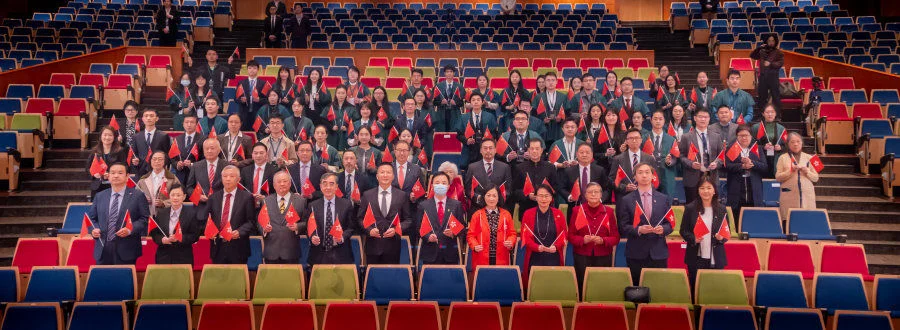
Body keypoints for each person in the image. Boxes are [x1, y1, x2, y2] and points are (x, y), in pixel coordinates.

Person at [617, 162, 673, 284]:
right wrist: (638, 230)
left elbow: (670, 224)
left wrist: (663, 229)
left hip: (658, 252)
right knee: (638, 289)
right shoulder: (626, 200)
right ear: (635, 177)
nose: (644, 175)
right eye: (640, 173)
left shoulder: (663, 198)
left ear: (653, 176)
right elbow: (623, 226)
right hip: (636, 253)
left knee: (658, 287)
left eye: (647, 172)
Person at [87, 163, 150, 265]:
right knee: (103, 280)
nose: (116, 175)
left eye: (120, 173)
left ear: (127, 176)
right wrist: (94, 229)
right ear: (108, 176)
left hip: (127, 248)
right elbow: (91, 218)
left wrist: (130, 229)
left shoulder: (138, 195)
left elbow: (145, 218)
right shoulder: (100, 196)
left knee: (124, 280)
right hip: (103, 248)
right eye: (113, 173)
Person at [680, 175, 729, 289]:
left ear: (714, 190)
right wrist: (693, 238)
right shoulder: (690, 208)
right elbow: (683, 230)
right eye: (702, 188)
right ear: (698, 190)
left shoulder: (722, 209)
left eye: (709, 188)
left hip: (716, 257)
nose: (705, 191)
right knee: (696, 288)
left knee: (715, 290)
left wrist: (721, 238)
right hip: (695, 258)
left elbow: (727, 231)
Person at [568, 183, 619, 287]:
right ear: (585, 195)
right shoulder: (577, 210)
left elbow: (616, 238)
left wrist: (603, 240)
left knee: (602, 284)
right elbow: (570, 236)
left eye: (596, 192)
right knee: (582, 283)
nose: (593, 194)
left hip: (603, 254)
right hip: (582, 254)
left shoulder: (608, 212)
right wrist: (583, 240)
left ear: (601, 195)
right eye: (590, 192)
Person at [358, 164, 412, 264]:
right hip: (373, 245)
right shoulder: (367, 195)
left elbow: (408, 220)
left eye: (388, 172)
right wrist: (369, 230)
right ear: (377, 176)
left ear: (393, 176)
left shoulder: (401, 195)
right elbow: (360, 218)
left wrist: (396, 230)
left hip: (393, 246)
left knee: (391, 277)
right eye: (382, 172)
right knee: (372, 277)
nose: (385, 175)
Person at [207, 165, 256, 264]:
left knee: (237, 278)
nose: (228, 179)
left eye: (232, 176)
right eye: (225, 176)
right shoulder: (213, 198)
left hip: (238, 246)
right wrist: (209, 230)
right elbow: (206, 219)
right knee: (219, 278)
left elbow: (251, 222)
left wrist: (240, 231)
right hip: (218, 246)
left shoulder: (247, 197)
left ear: (238, 179)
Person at [306, 172, 356, 265]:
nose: (328, 187)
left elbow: (351, 227)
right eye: (324, 184)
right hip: (318, 254)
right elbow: (308, 227)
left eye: (331, 184)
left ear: (336, 187)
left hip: (341, 253)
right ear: (320, 187)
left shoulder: (346, 204)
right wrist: (312, 237)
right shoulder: (312, 205)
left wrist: (342, 237)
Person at [417, 172, 466, 265]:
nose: (440, 185)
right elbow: (418, 228)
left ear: (448, 186)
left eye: (444, 183)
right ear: (432, 185)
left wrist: (453, 233)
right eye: (437, 182)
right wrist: (427, 237)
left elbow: (462, 228)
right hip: (430, 253)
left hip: (450, 252)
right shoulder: (423, 205)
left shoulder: (456, 205)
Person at [725, 126, 768, 227]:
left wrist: (752, 163)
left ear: (751, 136)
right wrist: (742, 166)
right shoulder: (732, 149)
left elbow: (765, 167)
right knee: (736, 217)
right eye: (741, 135)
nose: (744, 138)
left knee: (753, 220)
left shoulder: (756, 149)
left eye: (746, 135)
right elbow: (726, 166)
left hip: (753, 187)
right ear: (737, 136)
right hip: (736, 187)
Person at [259, 171, 306, 264]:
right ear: (274, 185)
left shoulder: (301, 201)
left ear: (290, 183)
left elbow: (307, 222)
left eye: (285, 181)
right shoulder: (265, 201)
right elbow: (259, 222)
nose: (282, 184)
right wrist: (264, 229)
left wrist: (298, 226)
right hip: (271, 252)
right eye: (279, 181)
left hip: (291, 252)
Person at [521, 185, 568, 275]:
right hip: (534, 255)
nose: (543, 199)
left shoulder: (558, 213)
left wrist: (556, 246)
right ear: (536, 198)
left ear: (551, 198)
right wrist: (537, 247)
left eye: (546, 196)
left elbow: (564, 235)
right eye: (540, 196)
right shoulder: (528, 214)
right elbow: (525, 237)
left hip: (554, 255)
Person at [679, 108, 724, 204]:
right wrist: (691, 164)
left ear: (709, 119)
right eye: (700, 117)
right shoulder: (686, 137)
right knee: (692, 208)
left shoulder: (716, 136)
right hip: (693, 177)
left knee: (712, 206)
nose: (703, 119)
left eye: (706, 117)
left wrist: (716, 163)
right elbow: (681, 156)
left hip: (711, 176)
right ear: (695, 118)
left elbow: (721, 157)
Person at [467, 185, 516, 268]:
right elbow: (470, 235)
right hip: (482, 255)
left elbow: (512, 234)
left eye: (494, 195)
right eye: (488, 195)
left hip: (501, 256)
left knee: (499, 279)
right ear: (484, 197)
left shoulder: (506, 214)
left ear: (498, 197)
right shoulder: (477, 215)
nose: (491, 199)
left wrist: (510, 241)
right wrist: (475, 246)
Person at [151, 184, 199, 264]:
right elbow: (155, 234)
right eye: (173, 195)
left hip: (183, 257)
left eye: (178, 195)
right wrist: (163, 240)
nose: (175, 198)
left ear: (184, 197)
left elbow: (195, 236)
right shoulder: (161, 213)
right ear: (169, 196)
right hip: (163, 257)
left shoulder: (191, 214)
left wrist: (180, 238)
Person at [775, 132, 819, 218]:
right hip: (788, 195)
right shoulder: (782, 157)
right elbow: (778, 177)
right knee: (789, 221)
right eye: (792, 142)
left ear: (802, 143)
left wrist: (807, 172)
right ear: (788, 144)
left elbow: (816, 178)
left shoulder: (811, 157)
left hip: (807, 195)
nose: (796, 144)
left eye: (798, 141)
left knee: (807, 220)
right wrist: (791, 171)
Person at [512, 138, 559, 219]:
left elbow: (556, 189)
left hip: (546, 209)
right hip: (526, 209)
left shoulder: (550, 167)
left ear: (541, 150)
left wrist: (544, 196)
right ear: (528, 151)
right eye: (532, 149)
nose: (534, 151)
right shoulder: (519, 168)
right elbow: (515, 191)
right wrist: (527, 195)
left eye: (537, 149)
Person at [610, 129, 658, 204]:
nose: (634, 140)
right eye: (631, 138)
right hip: (624, 199)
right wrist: (625, 187)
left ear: (641, 140)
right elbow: (611, 180)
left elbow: (656, 181)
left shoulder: (649, 159)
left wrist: (644, 188)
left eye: (637, 138)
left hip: (645, 199)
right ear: (626, 141)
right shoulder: (618, 159)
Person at [466, 139, 513, 210]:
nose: (488, 150)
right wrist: (478, 198)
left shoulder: (505, 167)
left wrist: (496, 199)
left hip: (498, 208)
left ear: (495, 150)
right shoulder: (472, 167)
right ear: (480, 151)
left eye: (490, 148)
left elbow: (508, 189)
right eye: (485, 148)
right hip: (478, 208)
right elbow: (468, 189)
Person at [186, 139, 227, 214]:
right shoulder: (196, 166)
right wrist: (198, 196)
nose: (209, 151)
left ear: (219, 150)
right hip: (201, 209)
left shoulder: (227, 166)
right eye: (206, 149)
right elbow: (189, 188)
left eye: (212, 148)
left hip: (222, 207)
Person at [456, 92, 498, 165]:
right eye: (473, 100)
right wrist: (466, 140)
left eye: (478, 100)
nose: (476, 102)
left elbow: (494, 133)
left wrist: (488, 139)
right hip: (469, 150)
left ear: (482, 102)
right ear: (470, 103)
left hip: (485, 149)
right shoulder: (463, 117)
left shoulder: (490, 116)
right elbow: (459, 135)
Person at [88, 126, 128, 200]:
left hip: (115, 185)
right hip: (98, 187)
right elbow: (88, 169)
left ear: (114, 137)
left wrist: (111, 174)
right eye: (105, 135)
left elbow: (125, 167)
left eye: (110, 135)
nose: (107, 137)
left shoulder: (120, 151)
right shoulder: (94, 152)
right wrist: (95, 175)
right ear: (101, 136)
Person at [646, 111, 679, 197]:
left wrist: (670, 161)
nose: (658, 121)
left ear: (664, 121)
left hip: (667, 175)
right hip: (649, 175)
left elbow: (675, 157)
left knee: (666, 205)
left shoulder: (671, 139)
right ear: (651, 120)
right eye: (655, 119)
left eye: (660, 119)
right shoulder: (644, 138)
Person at [130, 109, 170, 179]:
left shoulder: (163, 136)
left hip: (158, 171)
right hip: (141, 171)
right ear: (142, 119)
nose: (148, 118)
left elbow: (166, 154)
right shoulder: (136, 136)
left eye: (151, 116)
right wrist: (134, 160)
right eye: (146, 116)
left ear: (157, 118)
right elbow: (134, 153)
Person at [137, 151, 179, 217]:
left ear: (165, 161)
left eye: (160, 159)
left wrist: (164, 203)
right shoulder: (143, 180)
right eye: (154, 159)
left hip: (167, 215)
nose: (157, 161)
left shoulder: (172, 179)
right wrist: (142, 199)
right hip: (147, 216)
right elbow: (135, 197)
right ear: (150, 161)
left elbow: (179, 197)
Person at [750, 34, 784, 112]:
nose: (771, 42)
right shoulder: (762, 51)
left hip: (773, 77)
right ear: (766, 42)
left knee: (776, 97)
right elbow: (752, 55)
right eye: (769, 41)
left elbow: (780, 63)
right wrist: (759, 47)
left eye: (773, 41)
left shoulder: (779, 52)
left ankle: (777, 115)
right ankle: (761, 115)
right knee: (762, 97)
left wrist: (771, 64)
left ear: (776, 42)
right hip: (763, 77)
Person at [751, 104, 787, 178]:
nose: (770, 114)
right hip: (761, 157)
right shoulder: (756, 127)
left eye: (772, 112)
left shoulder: (781, 128)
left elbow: (787, 145)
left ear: (775, 113)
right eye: (767, 112)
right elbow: (750, 145)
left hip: (776, 158)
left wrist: (780, 147)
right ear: (763, 114)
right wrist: (763, 147)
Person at [531, 72, 566, 144]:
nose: (550, 82)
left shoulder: (563, 97)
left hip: (558, 130)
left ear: (556, 82)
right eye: (548, 80)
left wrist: (561, 118)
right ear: (545, 82)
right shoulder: (538, 97)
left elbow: (568, 113)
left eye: (553, 80)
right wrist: (542, 121)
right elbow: (533, 114)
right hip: (543, 129)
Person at [172, 114, 204, 184]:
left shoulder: (203, 139)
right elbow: (172, 158)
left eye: (192, 122)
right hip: (180, 176)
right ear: (183, 124)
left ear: (196, 124)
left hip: (196, 176)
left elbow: (205, 159)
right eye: (186, 122)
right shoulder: (177, 139)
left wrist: (192, 164)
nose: (189, 125)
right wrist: (177, 164)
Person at [433, 65, 464, 132]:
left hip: (455, 113)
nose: (449, 73)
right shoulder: (438, 86)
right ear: (444, 73)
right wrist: (441, 102)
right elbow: (434, 102)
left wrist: (455, 103)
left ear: (454, 73)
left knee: (454, 133)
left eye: (451, 71)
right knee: (442, 134)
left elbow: (461, 103)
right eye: (447, 72)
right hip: (441, 114)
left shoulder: (459, 86)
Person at [237, 61, 267, 130]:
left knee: (257, 134)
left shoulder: (263, 83)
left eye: (254, 68)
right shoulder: (241, 83)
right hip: (244, 114)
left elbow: (267, 100)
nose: (252, 70)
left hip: (258, 114)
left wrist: (259, 100)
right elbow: (236, 99)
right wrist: (241, 100)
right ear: (247, 70)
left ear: (258, 70)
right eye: (250, 68)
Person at [323, 86, 353, 150]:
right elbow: (323, 121)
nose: (341, 95)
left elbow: (355, 121)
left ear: (346, 94)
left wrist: (347, 127)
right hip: (332, 136)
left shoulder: (351, 108)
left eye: (343, 93)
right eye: (338, 93)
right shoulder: (329, 107)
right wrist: (331, 127)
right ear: (336, 94)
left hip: (346, 137)